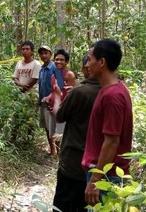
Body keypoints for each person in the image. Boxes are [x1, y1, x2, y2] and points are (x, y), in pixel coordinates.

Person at [82, 39, 133, 207]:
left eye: (90, 59)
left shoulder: (113, 96)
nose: (87, 64)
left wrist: (96, 180)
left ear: (102, 62)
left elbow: (112, 141)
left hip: (107, 177)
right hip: (104, 175)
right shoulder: (110, 90)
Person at [52, 54, 101, 212]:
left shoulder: (79, 92)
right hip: (101, 165)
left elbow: (59, 116)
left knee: (64, 204)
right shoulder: (115, 92)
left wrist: (59, 96)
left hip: (74, 161)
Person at [44, 49, 78, 134]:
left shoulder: (69, 75)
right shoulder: (53, 75)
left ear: (66, 62)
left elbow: (72, 93)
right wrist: (48, 97)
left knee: (61, 135)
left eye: (62, 60)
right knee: (54, 135)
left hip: (63, 111)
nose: (58, 61)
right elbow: (54, 91)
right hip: (53, 109)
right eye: (57, 59)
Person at [37, 45, 60, 155]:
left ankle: (59, 151)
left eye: (46, 53)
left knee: (56, 127)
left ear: (50, 54)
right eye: (41, 54)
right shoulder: (41, 69)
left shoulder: (55, 68)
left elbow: (59, 85)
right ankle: (52, 150)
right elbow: (41, 86)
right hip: (43, 103)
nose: (43, 55)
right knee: (47, 127)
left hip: (53, 103)